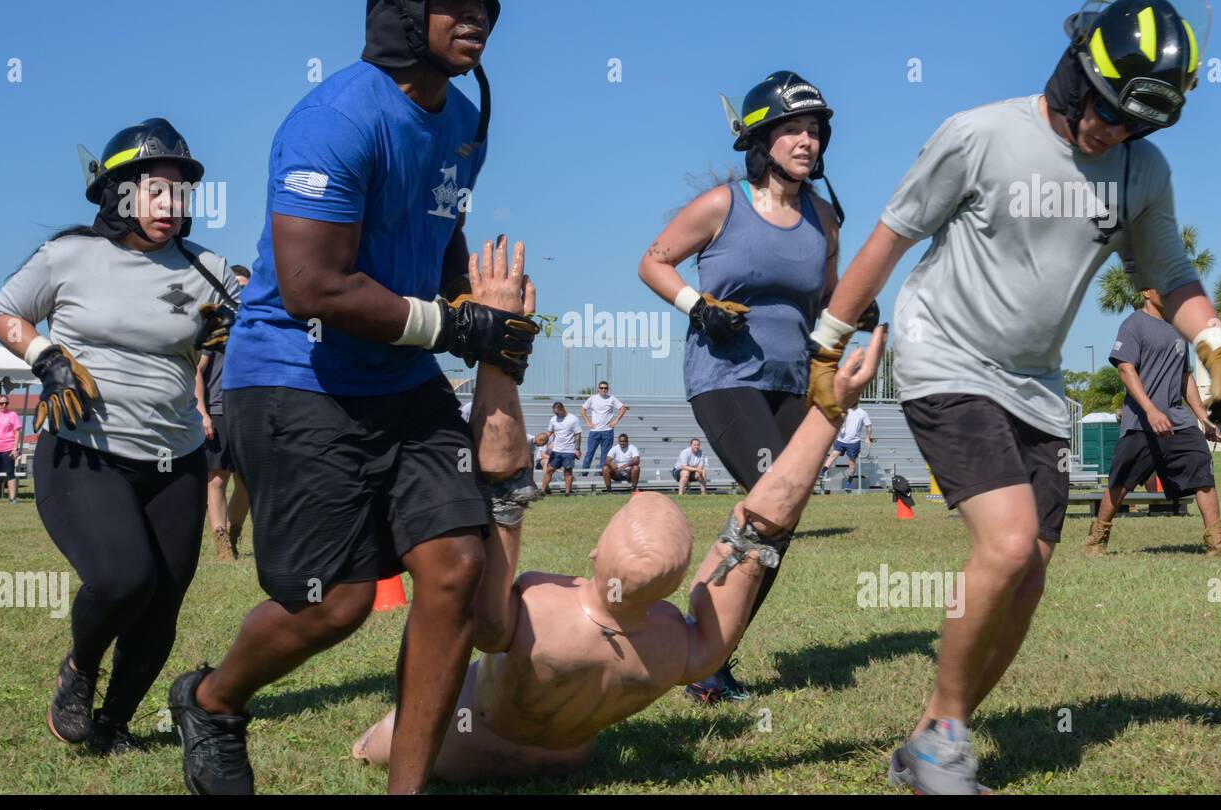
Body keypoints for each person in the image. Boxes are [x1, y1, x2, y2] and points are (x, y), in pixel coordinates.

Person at [814, 0, 1221, 793]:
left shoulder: (1139, 171)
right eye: (1107, 108)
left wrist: (1215, 345)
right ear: (1075, 68)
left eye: (1134, 123)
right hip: (944, 353)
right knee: (1008, 542)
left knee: (1031, 571)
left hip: (1034, 384)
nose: (1111, 130)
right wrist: (829, 342)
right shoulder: (979, 135)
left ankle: (926, 742)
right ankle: (944, 741)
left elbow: (1171, 271)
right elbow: (890, 238)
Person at [167, 0, 542, 797]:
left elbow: (437, 234)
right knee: (330, 606)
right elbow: (314, 289)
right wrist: (457, 326)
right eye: (459, 0)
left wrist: (470, 302)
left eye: (489, 5)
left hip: (400, 378)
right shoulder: (333, 118)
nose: (479, 20)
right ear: (402, 8)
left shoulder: (462, 117)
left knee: (453, 568)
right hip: (296, 376)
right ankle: (214, 699)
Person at [350, 316, 888, 779]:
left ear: (594, 554)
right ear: (679, 581)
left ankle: (364, 747)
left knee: (381, 739)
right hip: (565, 760)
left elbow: (501, 498)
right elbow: (755, 534)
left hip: (462, 746)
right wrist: (826, 416)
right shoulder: (679, 647)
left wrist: (500, 356)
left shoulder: (537, 608)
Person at [0, 116, 241, 756]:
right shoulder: (69, 254)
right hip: (84, 453)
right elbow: (3, 311)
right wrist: (45, 357)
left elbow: (269, 323)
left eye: (181, 191)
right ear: (118, 192)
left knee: (161, 610)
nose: (171, 203)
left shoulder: (207, 269)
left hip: (177, 457)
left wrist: (232, 333)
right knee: (126, 579)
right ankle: (79, 669)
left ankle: (114, 725)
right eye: (156, 189)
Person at [638, 70, 876, 702]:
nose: (808, 140)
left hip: (793, 381)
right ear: (761, 137)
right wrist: (698, 305)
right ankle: (701, 654)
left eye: (816, 130)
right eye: (794, 129)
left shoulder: (824, 217)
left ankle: (712, 654)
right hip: (725, 376)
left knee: (782, 517)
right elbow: (652, 262)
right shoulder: (723, 203)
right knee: (770, 496)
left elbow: (826, 296)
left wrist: (857, 310)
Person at [1083, 288, 1221, 558]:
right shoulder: (1133, 324)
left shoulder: (1177, 328)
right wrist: (1151, 410)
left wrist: (1202, 415)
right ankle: (1096, 540)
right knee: (1122, 482)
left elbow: (1184, 375)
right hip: (1141, 422)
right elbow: (1125, 369)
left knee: (1201, 464)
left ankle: (1217, 542)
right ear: (1145, 291)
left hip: (1178, 418)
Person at [195, 265, 251, 561]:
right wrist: (202, 411)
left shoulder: (256, 326)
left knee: (246, 481)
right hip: (217, 409)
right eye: (236, 288)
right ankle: (221, 542)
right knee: (217, 479)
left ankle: (235, 533)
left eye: (244, 289)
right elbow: (198, 371)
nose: (239, 294)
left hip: (247, 413)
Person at [821, 403, 872, 492]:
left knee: (851, 465)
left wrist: (867, 438)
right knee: (833, 454)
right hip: (841, 440)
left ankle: (848, 484)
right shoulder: (845, 410)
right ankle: (822, 472)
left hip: (853, 442)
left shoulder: (863, 413)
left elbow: (869, 427)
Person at [580, 381, 626, 475]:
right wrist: (588, 422)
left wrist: (616, 421)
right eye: (601, 388)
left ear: (607, 389)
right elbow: (582, 410)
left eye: (605, 388)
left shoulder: (611, 398)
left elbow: (622, 408)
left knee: (605, 455)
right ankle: (584, 474)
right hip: (595, 431)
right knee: (590, 453)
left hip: (607, 431)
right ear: (598, 389)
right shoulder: (592, 398)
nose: (603, 390)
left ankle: (602, 474)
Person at [542, 401, 582, 496]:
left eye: (557, 413)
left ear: (562, 409)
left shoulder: (573, 419)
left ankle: (567, 493)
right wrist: (542, 438)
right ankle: (542, 491)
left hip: (569, 451)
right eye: (554, 413)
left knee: (568, 471)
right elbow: (549, 432)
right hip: (556, 450)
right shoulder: (553, 419)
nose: (556, 415)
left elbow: (578, 434)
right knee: (549, 470)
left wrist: (577, 449)